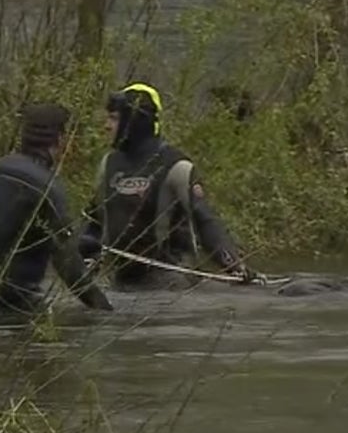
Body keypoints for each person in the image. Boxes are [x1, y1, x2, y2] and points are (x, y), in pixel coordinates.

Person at [78, 83, 256, 290]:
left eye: (114, 118)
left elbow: (205, 222)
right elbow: (94, 222)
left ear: (134, 121)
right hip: (121, 283)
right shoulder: (108, 165)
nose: (106, 126)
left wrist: (235, 267)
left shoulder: (177, 166)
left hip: (172, 285)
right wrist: (85, 258)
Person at [0, 102, 114, 315]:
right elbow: (68, 264)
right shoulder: (47, 186)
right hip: (18, 306)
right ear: (60, 139)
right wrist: (105, 311)